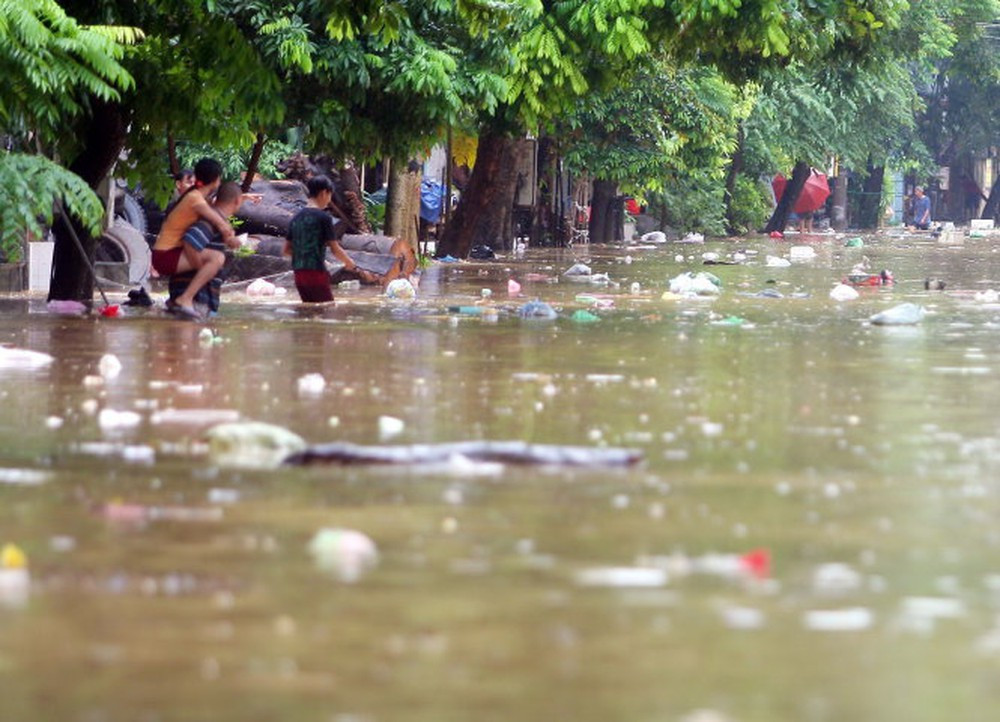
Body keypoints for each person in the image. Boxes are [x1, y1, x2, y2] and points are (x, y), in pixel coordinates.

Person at [152, 158, 236, 318]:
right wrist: (230, 235)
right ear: (217, 180)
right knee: (217, 258)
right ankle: (186, 298)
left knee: (208, 261)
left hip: (164, 254)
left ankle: (177, 299)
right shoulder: (195, 199)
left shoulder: (194, 196)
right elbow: (218, 220)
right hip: (166, 256)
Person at [284, 175, 374, 302]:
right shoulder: (324, 218)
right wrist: (350, 264)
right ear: (324, 193)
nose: (329, 200)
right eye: (330, 195)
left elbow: (287, 250)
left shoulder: (296, 218)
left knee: (308, 310)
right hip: (316, 274)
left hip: (299, 274)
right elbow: (335, 249)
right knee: (326, 309)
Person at [166, 181, 245, 316]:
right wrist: (202, 269)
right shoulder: (211, 221)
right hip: (196, 301)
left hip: (200, 299)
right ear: (238, 201)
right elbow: (190, 241)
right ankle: (185, 298)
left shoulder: (218, 223)